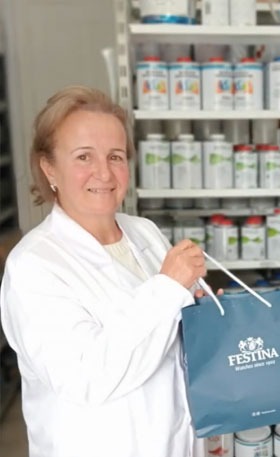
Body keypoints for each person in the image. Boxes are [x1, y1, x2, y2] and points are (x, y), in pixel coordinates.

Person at [0, 85, 208, 457]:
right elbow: (87, 378)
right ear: (49, 168)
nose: (104, 172)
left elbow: (170, 346)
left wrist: (203, 314)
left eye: (115, 156)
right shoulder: (33, 266)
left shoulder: (144, 232)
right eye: (84, 156)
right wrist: (168, 288)